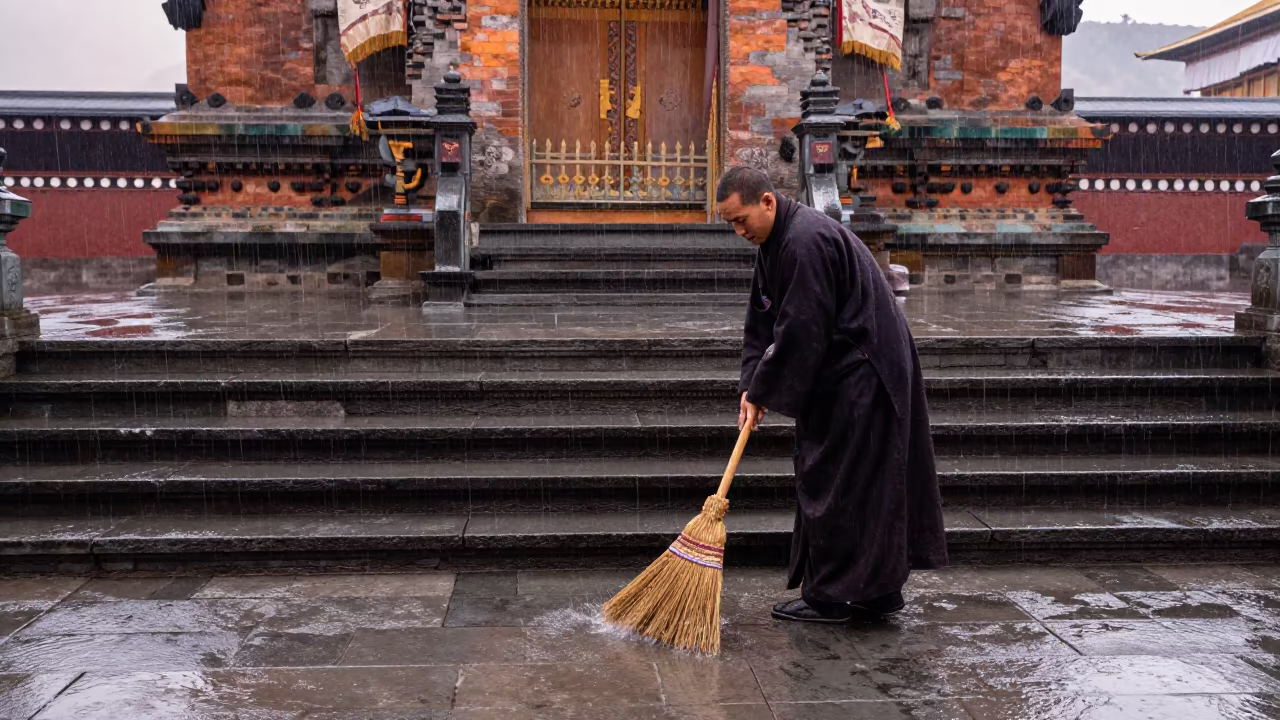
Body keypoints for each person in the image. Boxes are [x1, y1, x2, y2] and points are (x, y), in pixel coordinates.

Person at [717, 166, 948, 623]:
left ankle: (832, 596)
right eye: (730, 223)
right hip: (842, 371)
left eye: (741, 219)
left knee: (845, 483)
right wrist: (751, 383)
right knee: (856, 482)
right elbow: (762, 321)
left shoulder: (805, 240)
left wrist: (765, 386)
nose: (738, 231)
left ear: (767, 201)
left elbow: (801, 328)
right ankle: (873, 592)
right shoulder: (774, 243)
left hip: (866, 371)